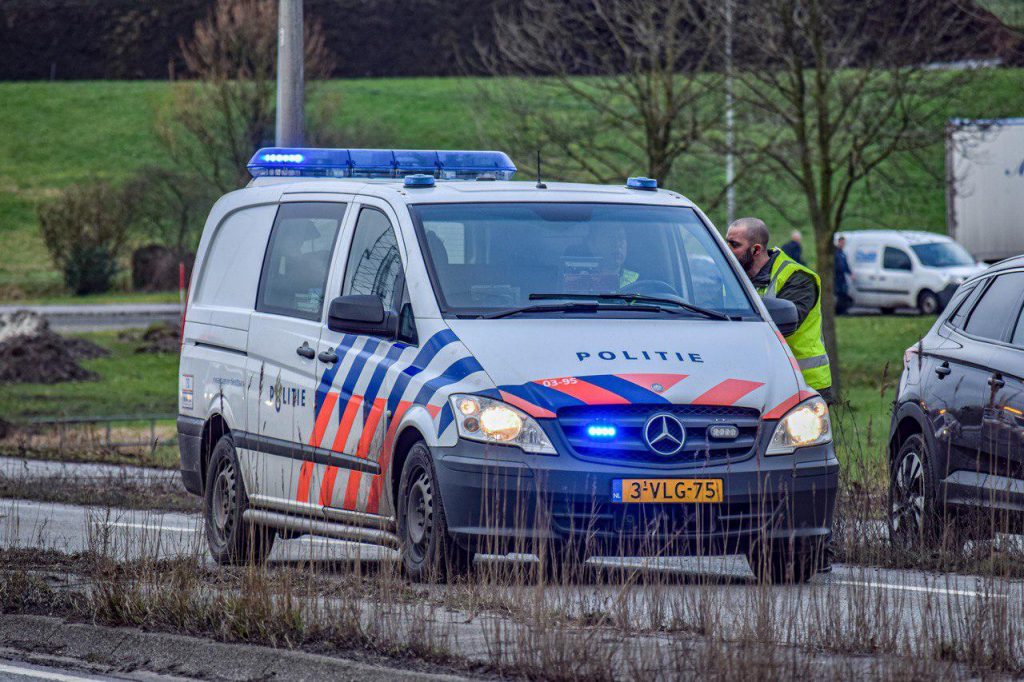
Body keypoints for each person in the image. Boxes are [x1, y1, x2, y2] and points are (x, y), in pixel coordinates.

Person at [725, 217, 833, 401]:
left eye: (734, 245)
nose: (726, 251)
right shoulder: (733, 278)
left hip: (803, 383)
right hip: (758, 382)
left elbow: (784, 324)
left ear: (756, 250)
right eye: (724, 243)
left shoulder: (798, 278)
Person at [588, 224, 639, 289]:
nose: (617, 244)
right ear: (592, 245)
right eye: (610, 238)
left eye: (621, 238)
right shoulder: (581, 279)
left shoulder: (637, 280)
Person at [834, 236, 853, 315]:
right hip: (837, 278)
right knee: (840, 295)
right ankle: (839, 311)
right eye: (842, 243)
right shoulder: (836, 253)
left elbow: (845, 265)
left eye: (844, 243)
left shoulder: (842, 253)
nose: (843, 244)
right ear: (839, 242)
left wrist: (850, 272)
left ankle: (843, 310)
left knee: (843, 294)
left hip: (842, 278)